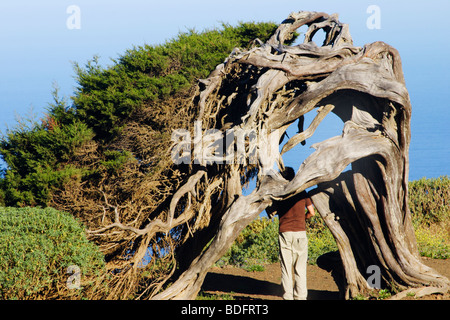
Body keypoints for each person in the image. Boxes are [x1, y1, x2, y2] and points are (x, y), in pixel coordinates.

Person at [268, 167, 315, 300]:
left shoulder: (280, 194)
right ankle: (301, 297)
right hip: (300, 232)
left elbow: (272, 212)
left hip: (285, 232)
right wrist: (302, 218)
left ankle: (287, 297)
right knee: (300, 269)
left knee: (286, 269)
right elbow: (312, 212)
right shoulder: (302, 192)